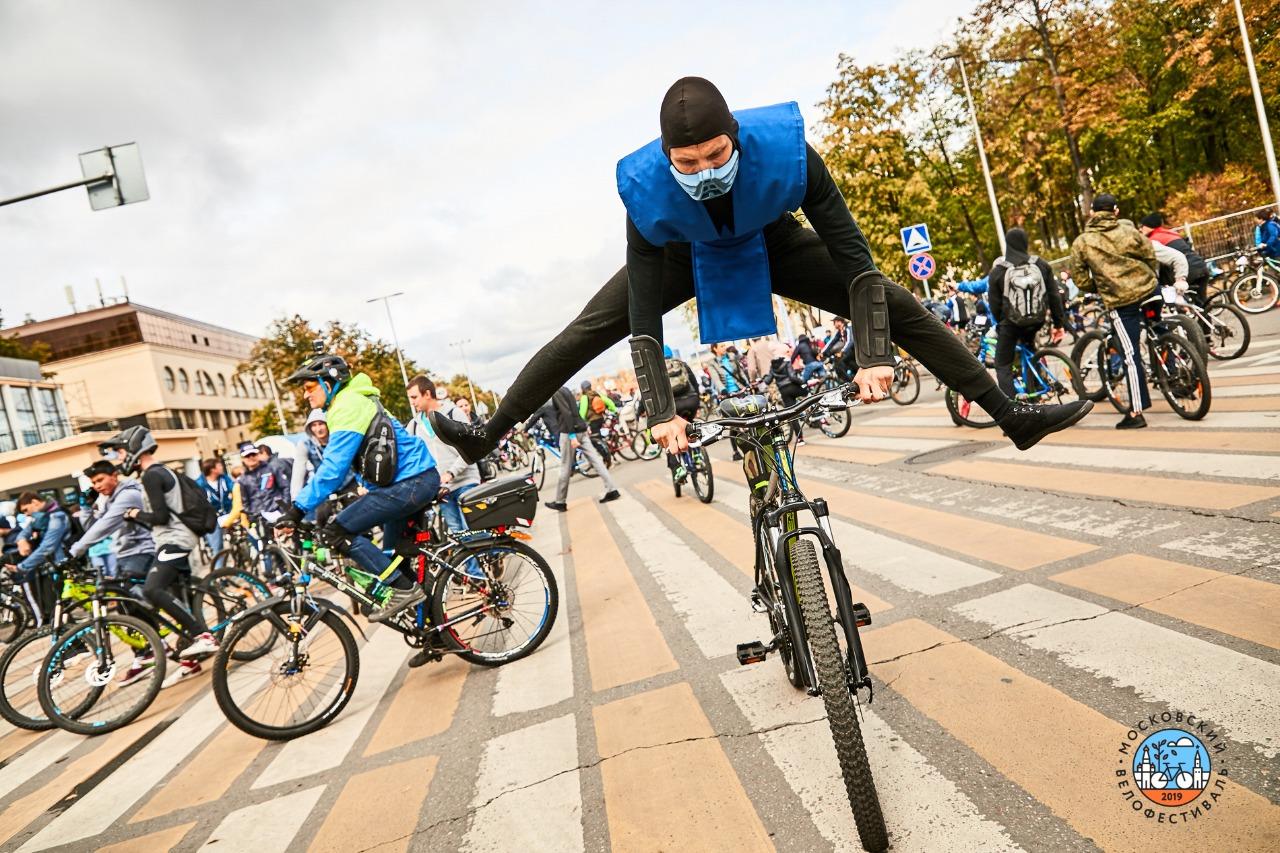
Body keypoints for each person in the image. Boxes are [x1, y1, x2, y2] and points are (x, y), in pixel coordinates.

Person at [430, 76, 1090, 461]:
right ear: (666, 157)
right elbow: (638, 319)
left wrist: (873, 351)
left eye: (715, 155)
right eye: (685, 163)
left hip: (772, 239)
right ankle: (487, 435)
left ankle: (1013, 417)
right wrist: (661, 409)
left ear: (736, 138)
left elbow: (855, 260)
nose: (703, 171)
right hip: (681, 254)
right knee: (586, 329)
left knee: (898, 301)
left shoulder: (788, 154)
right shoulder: (647, 190)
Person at [273, 350, 440, 623]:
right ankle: (435, 630)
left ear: (330, 382)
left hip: (411, 483)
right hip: (412, 481)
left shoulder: (347, 405)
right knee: (394, 560)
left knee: (337, 532)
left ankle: (403, 591)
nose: (305, 395)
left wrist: (297, 509)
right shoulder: (351, 401)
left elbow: (332, 469)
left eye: (309, 388)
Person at [101, 426, 220, 686]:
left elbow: (160, 517)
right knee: (176, 597)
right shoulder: (159, 471)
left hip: (175, 540)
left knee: (153, 589)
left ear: (134, 449)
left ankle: (204, 636)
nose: (119, 459)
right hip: (171, 539)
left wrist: (133, 515)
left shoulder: (151, 476)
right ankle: (189, 661)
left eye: (120, 453)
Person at [1070, 194, 1157, 429]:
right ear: (1115, 211)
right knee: (1157, 330)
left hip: (1121, 300)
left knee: (1130, 356)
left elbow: (1079, 278)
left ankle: (1136, 412)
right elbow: (1150, 254)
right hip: (1150, 288)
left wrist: (1098, 286)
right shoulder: (1128, 228)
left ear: (1092, 213)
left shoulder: (1083, 242)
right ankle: (1174, 369)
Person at [986, 227, 1067, 397]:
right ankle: (1036, 390)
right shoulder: (1040, 264)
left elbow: (994, 305)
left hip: (1012, 324)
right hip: (1037, 320)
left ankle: (1013, 408)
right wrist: (1059, 324)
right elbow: (1054, 296)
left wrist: (1003, 323)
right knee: (1030, 350)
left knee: (1002, 363)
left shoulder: (998, 271)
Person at [405, 375, 482, 536]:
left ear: (427, 394)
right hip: (442, 489)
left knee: (473, 532)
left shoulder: (454, 413)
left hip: (466, 481)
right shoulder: (414, 426)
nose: (412, 402)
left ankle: (496, 551)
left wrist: (451, 472)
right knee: (458, 537)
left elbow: (470, 448)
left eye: (414, 397)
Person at [70, 460, 157, 582]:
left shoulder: (128, 495)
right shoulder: (110, 501)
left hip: (143, 552)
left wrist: (75, 550)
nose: (97, 486)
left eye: (100, 480)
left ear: (114, 476)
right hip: (124, 554)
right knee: (117, 596)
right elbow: (91, 529)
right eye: (93, 483)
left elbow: (104, 526)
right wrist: (86, 508)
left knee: (135, 594)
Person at [543, 384, 620, 512]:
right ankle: (612, 489)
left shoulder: (556, 391)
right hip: (581, 428)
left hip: (568, 432)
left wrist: (572, 435)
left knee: (565, 466)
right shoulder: (566, 389)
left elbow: (566, 412)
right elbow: (574, 410)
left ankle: (560, 501)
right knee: (596, 460)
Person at [1139, 214, 1209, 305]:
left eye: (1142, 226)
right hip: (1201, 266)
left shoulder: (1153, 240)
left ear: (1150, 226)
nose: (1140, 229)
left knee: (1174, 300)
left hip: (1187, 271)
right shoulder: (1171, 233)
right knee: (1202, 304)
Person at [290, 409, 356, 503]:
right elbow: (298, 469)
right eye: (314, 425)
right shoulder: (305, 444)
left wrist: (362, 484)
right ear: (309, 428)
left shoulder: (338, 439)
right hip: (325, 488)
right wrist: (295, 497)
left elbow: (354, 460)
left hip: (349, 483)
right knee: (321, 515)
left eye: (321, 424)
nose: (318, 429)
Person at [663, 345, 703, 482]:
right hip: (691, 401)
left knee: (669, 437)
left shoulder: (657, 369)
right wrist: (697, 402)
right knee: (689, 425)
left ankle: (677, 469)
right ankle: (698, 453)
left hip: (674, 407)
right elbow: (695, 384)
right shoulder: (681, 364)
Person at [237, 441, 291, 522]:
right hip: (259, 518)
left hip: (278, 513)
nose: (251, 457)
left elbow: (285, 487)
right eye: (247, 456)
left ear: (258, 455)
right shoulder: (242, 479)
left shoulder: (272, 468)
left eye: (253, 454)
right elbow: (245, 502)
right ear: (243, 459)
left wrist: (283, 508)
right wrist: (252, 515)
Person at [198, 458, 235, 556]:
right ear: (212, 469)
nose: (222, 467)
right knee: (218, 548)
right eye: (219, 465)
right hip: (212, 519)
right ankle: (219, 569)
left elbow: (234, 489)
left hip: (228, 514)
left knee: (241, 539)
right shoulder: (199, 484)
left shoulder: (224, 478)